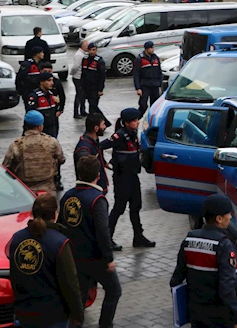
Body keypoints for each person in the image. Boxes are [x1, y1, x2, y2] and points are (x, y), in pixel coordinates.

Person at [59, 156, 121, 328]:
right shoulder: (97, 199)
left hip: (74, 257)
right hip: (95, 258)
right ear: (98, 175)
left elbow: (61, 225)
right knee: (114, 291)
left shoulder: (68, 196)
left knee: (80, 296)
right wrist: (108, 258)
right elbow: (103, 231)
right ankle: (105, 324)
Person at [8, 194, 84, 328]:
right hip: (53, 315)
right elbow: (70, 283)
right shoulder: (60, 242)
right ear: (55, 214)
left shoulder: (17, 239)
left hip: (24, 312)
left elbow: (14, 276)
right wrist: (78, 314)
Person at [170, 194, 237, 328]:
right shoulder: (224, 245)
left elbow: (176, 279)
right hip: (219, 315)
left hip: (196, 313)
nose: (230, 217)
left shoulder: (189, 239)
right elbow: (227, 288)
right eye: (228, 214)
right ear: (219, 219)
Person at [108, 108, 155, 248]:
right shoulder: (119, 136)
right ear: (127, 123)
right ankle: (107, 238)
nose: (137, 122)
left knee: (136, 207)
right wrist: (106, 164)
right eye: (134, 120)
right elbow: (100, 146)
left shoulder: (133, 134)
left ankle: (138, 237)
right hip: (122, 178)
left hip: (133, 176)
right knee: (119, 208)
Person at [2, 111, 66, 197]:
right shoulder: (51, 142)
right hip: (48, 190)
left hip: (24, 191)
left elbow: (6, 166)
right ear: (40, 126)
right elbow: (61, 159)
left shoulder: (16, 145)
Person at [74, 113, 112, 196]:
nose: (105, 127)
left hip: (97, 187)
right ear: (96, 128)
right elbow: (86, 170)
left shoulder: (94, 141)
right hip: (91, 190)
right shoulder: (84, 149)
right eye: (103, 124)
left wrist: (104, 163)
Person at [81, 43, 109, 126]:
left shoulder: (99, 61)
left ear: (96, 50)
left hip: (95, 88)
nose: (91, 52)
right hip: (86, 87)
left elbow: (102, 76)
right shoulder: (85, 59)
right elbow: (83, 73)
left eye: (93, 50)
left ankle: (93, 123)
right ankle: (104, 122)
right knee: (93, 106)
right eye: (90, 50)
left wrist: (100, 89)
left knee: (92, 107)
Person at [26, 73, 61, 138]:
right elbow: (30, 115)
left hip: (52, 130)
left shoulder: (51, 95)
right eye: (49, 81)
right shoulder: (35, 96)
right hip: (40, 132)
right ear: (41, 82)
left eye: (52, 80)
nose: (52, 83)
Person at [134, 41, 162, 116]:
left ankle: (152, 121)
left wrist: (160, 84)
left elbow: (159, 72)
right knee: (143, 106)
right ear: (146, 49)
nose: (153, 49)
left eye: (153, 47)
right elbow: (136, 74)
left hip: (155, 85)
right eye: (151, 48)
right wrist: (138, 88)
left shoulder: (156, 58)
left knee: (154, 106)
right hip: (145, 85)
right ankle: (136, 120)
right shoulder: (140, 59)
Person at [71, 40, 89, 119]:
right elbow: (75, 66)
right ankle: (76, 112)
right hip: (78, 77)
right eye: (87, 45)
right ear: (83, 46)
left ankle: (82, 110)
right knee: (79, 95)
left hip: (81, 77)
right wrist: (72, 73)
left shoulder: (83, 54)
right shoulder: (79, 55)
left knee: (83, 95)